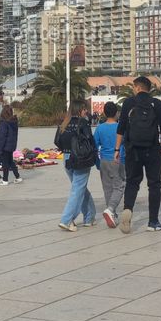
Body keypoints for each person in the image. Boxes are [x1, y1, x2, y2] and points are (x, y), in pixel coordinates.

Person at [115, 75, 161, 233]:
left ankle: (128, 209)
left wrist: (116, 149)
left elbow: (121, 128)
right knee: (154, 184)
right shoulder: (157, 104)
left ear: (138, 88)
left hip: (133, 149)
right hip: (152, 150)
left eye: (134, 88)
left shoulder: (128, 103)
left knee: (132, 182)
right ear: (148, 89)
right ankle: (153, 222)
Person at [55, 99, 97, 231]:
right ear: (79, 109)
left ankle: (89, 216)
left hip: (67, 158)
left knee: (80, 188)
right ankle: (67, 219)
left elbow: (58, 141)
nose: (86, 111)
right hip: (80, 159)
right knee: (77, 189)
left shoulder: (64, 123)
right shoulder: (83, 122)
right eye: (84, 109)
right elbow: (90, 140)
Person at [94, 101, 124, 227]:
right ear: (117, 113)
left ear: (105, 113)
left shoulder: (99, 128)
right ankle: (111, 209)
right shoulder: (120, 127)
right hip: (118, 160)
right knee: (120, 186)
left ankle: (113, 216)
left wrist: (97, 162)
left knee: (107, 188)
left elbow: (94, 146)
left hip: (104, 161)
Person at [0, 104, 21, 185]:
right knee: (10, 161)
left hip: (5, 146)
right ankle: (17, 176)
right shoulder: (14, 121)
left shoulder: (4, 122)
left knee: (5, 163)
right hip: (11, 145)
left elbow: (2, 136)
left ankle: (5, 180)